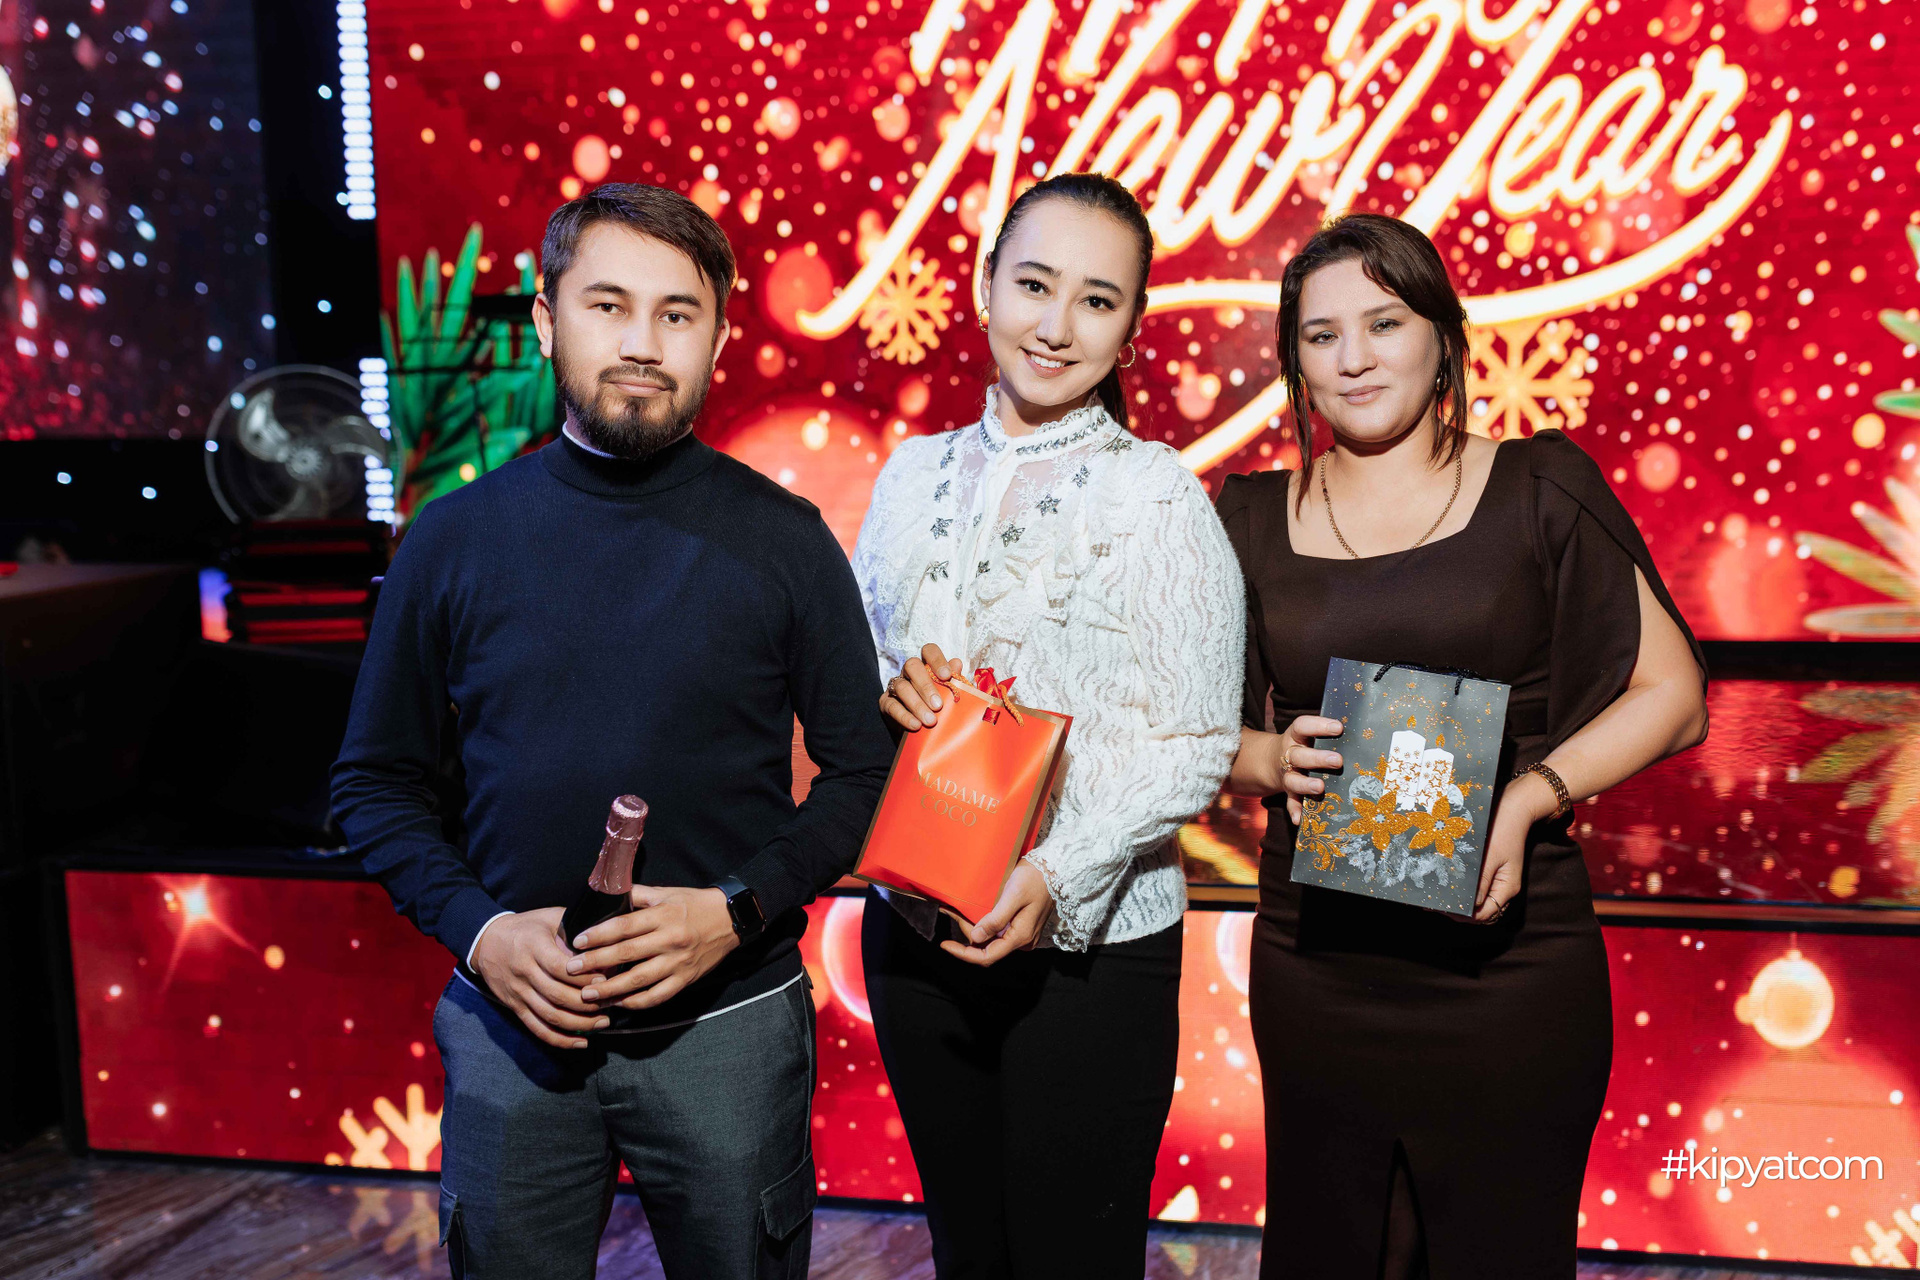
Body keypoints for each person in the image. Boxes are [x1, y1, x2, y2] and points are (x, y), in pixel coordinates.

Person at [331, 183, 894, 1280]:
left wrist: (735, 911)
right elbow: (374, 785)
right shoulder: (452, 541)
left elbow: (861, 776)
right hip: (511, 1023)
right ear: (548, 322)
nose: (642, 343)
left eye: (677, 314)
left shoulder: (788, 541)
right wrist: (482, 934)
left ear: (718, 339)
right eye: (608, 306)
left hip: (731, 1021)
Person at [1217, 212, 1709, 1279]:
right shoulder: (1248, 515)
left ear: (1443, 336)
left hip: (1509, 970)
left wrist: (1531, 794)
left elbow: (1674, 695)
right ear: (1294, 361)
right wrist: (1268, 759)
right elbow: (1191, 731)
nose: (1353, 358)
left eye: (1385, 323)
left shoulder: (1539, 484)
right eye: (1320, 335)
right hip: (1318, 966)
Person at [851, 171, 1246, 1278]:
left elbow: (1194, 739)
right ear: (986, 287)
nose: (1056, 325)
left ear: (1132, 327)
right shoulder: (910, 473)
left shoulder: (1158, 493)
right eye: (1033, 285)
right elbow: (862, 661)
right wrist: (892, 692)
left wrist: (1056, 874)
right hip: (917, 923)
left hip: (1091, 950)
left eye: (1096, 300)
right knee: (967, 1250)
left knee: (1075, 1255)